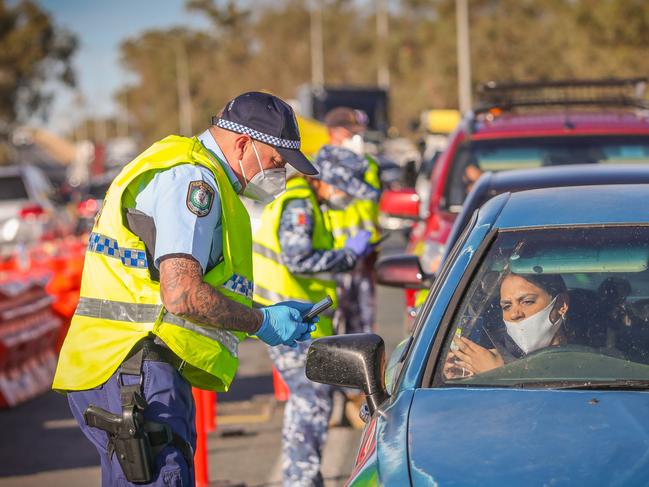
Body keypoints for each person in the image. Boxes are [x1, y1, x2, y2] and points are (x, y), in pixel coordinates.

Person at [53, 92, 320, 486]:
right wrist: (261, 321)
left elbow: (182, 285)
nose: (279, 175)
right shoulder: (193, 180)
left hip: (128, 367)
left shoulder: (190, 171)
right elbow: (181, 294)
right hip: (135, 369)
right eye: (277, 162)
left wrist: (266, 309)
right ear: (243, 143)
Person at [253, 155, 378, 487]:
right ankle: (302, 479)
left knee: (311, 398)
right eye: (345, 188)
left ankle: (304, 476)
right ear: (326, 180)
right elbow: (297, 259)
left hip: (293, 319)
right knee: (310, 400)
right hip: (287, 321)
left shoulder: (304, 200)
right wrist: (347, 257)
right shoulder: (300, 203)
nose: (346, 197)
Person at [318, 107, 383, 336]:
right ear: (331, 132)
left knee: (364, 323)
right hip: (338, 253)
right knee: (337, 321)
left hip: (366, 254)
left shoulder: (369, 164)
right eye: (349, 132)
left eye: (358, 132)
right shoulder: (322, 165)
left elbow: (373, 201)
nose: (355, 138)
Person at [445, 272, 569, 378]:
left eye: (527, 302)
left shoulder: (584, 364)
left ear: (561, 305)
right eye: (507, 306)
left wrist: (500, 375)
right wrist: (464, 379)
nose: (514, 314)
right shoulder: (493, 358)